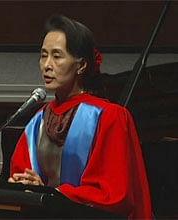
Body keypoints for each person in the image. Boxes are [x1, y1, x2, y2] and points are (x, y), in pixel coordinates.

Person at [8, 15, 153, 219]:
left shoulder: (108, 117)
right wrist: (22, 185)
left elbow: (113, 195)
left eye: (57, 56)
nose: (46, 65)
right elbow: (21, 178)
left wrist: (49, 194)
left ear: (82, 65)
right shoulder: (37, 122)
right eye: (43, 55)